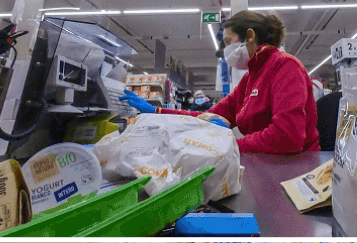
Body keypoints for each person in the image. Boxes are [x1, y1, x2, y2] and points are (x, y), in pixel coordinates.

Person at [122, 11, 319, 154]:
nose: (225, 49)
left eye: (228, 41)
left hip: (297, 169)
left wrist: (229, 142)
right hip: (265, 163)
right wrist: (157, 112)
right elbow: (207, 116)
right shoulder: (250, 79)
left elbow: (288, 137)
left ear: (249, 36)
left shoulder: (285, 67)